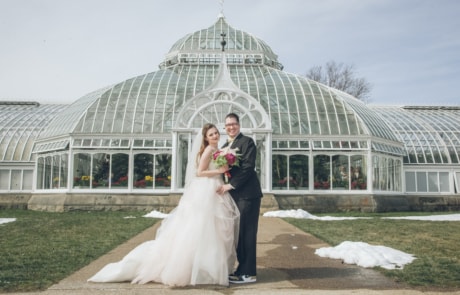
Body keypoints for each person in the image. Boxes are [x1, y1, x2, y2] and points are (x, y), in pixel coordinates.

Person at [88, 123, 240, 287]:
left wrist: (224, 168)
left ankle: (208, 268)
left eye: (216, 133)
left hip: (215, 189)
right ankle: (200, 269)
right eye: (211, 134)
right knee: (202, 228)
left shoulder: (217, 150)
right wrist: (220, 170)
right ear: (205, 137)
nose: (215, 136)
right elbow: (200, 172)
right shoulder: (209, 150)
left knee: (213, 230)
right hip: (206, 190)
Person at [217, 112, 263, 284]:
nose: (231, 127)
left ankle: (248, 273)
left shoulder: (247, 142)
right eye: (228, 125)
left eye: (233, 124)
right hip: (235, 196)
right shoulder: (225, 145)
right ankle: (241, 269)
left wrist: (231, 184)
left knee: (247, 234)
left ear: (239, 125)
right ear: (225, 127)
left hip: (248, 196)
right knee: (238, 234)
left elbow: (248, 168)